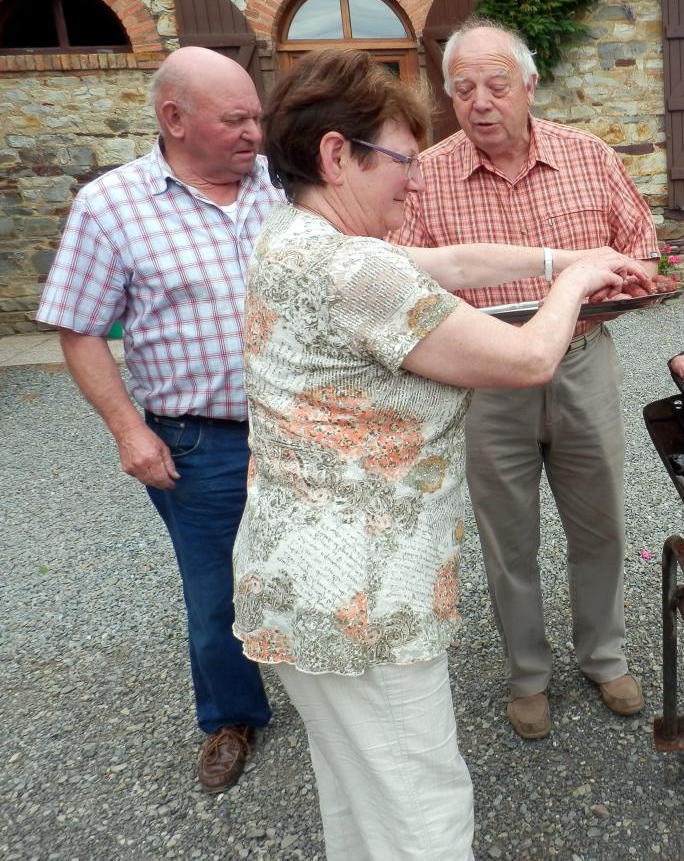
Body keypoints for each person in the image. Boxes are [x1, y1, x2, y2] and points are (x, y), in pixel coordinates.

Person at [231, 48, 651, 861]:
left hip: (299, 581)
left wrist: (567, 259)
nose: (413, 182)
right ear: (335, 156)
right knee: (421, 808)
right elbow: (528, 361)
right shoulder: (353, 270)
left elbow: (452, 264)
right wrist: (572, 290)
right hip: (361, 598)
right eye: (399, 161)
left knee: (360, 793)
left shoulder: (292, 236)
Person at [393, 17, 660, 740]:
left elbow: (642, 247)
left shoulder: (588, 157)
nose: (480, 102)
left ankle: (604, 657)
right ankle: (528, 675)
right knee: (506, 537)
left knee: (599, 520)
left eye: (496, 85)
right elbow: (404, 283)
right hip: (485, 376)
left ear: (530, 86)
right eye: (463, 88)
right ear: (448, 95)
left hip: (580, 359)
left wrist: (619, 284)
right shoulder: (428, 177)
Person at [36, 46, 281, 794]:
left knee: (311, 566)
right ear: (174, 119)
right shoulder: (111, 207)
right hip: (198, 439)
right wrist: (128, 431)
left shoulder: (287, 185)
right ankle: (231, 716)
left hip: (305, 427)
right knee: (216, 593)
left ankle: (328, 686)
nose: (253, 134)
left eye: (257, 117)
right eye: (234, 119)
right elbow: (79, 329)